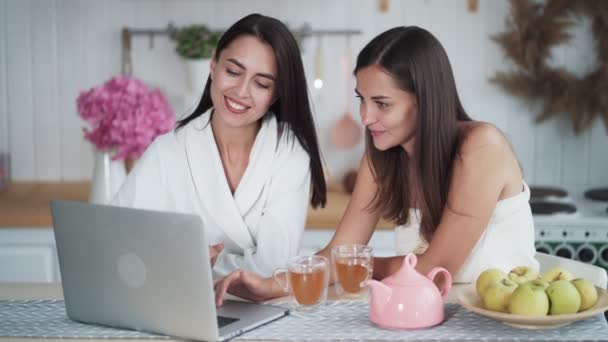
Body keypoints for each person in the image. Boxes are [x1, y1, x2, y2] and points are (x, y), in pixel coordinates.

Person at [214, 26, 539, 305]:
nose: (366, 117)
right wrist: (268, 286)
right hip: (421, 317)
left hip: (501, 321)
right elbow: (341, 251)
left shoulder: (482, 146)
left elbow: (434, 270)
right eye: (362, 99)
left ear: (425, 100)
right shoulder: (381, 158)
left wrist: (360, 266)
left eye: (382, 103)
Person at [112, 13, 326, 278]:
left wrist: (187, 262)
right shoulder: (168, 152)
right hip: (178, 308)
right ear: (213, 64)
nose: (241, 91)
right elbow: (116, 241)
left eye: (261, 83)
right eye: (233, 71)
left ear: (276, 93)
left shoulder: (288, 152)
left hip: (262, 311)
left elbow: (275, 266)